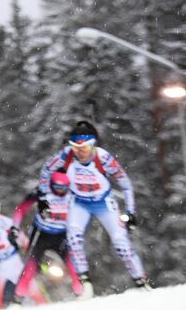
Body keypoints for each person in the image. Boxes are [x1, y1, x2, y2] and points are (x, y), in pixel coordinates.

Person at [39, 121, 150, 298]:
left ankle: (140, 282)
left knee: (121, 243)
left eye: (85, 147)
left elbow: (126, 184)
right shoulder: (66, 155)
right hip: (79, 203)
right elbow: (46, 171)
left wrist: (130, 212)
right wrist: (43, 198)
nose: (80, 152)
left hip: (104, 203)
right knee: (74, 238)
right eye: (75, 147)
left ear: (94, 145)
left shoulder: (104, 158)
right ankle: (86, 285)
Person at [11, 171, 83, 304]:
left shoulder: (73, 194)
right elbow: (20, 209)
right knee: (30, 268)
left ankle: (81, 295)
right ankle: (17, 300)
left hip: (61, 235)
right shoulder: (42, 192)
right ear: (51, 184)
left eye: (63, 188)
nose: (60, 191)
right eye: (57, 187)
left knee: (74, 265)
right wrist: (15, 227)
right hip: (41, 234)